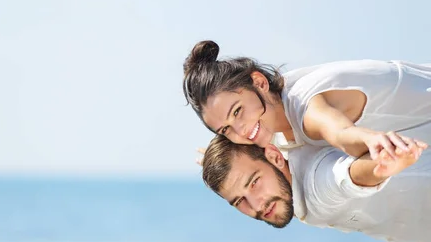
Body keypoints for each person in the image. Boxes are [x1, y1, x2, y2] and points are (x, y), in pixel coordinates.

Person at [183, 40, 431, 161]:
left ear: (259, 82)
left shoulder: (303, 102)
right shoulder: (275, 122)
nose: (240, 131)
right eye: (225, 129)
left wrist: (370, 139)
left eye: (237, 112)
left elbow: (340, 133)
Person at [199, 130, 430, 242]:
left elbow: (343, 176)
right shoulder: (281, 167)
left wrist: (379, 167)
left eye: (254, 182)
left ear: (274, 157)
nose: (257, 205)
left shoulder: (315, 181)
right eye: (239, 201)